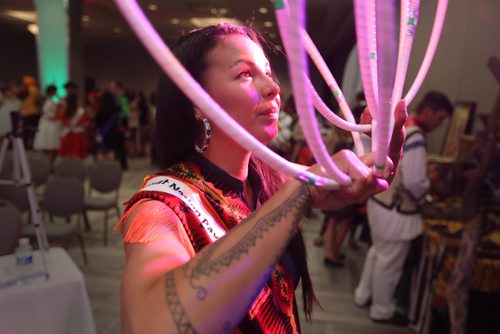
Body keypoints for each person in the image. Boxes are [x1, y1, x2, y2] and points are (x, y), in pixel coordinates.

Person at [116, 23, 407, 333]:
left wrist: (378, 159)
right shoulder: (160, 206)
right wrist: (300, 192)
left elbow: (353, 183)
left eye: (268, 73)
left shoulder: (266, 176)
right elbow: (150, 324)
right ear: (196, 103)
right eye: (245, 74)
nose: (273, 87)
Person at [354, 91, 453, 325]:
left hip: (379, 201)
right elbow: (415, 182)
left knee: (377, 252)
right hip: (396, 210)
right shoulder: (415, 136)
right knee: (390, 262)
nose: (438, 125)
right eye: (439, 119)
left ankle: (363, 294)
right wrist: (428, 186)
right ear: (428, 111)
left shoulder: (396, 125)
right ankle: (381, 309)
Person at [33, 84, 62, 165]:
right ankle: (48, 165)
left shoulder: (50, 101)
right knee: (50, 146)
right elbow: (48, 115)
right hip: (49, 126)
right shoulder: (48, 102)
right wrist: (57, 116)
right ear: (53, 91)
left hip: (50, 125)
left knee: (51, 147)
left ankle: (49, 165)